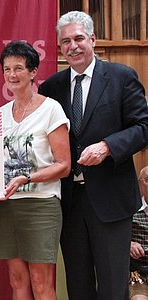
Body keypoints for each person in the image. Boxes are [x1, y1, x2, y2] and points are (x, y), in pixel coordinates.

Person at [38, 11, 148, 300]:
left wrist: (108, 147)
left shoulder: (121, 77)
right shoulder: (50, 88)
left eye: (78, 38)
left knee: (113, 287)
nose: (73, 46)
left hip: (112, 200)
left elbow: (144, 127)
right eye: (65, 41)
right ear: (59, 46)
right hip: (69, 202)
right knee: (78, 286)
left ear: (93, 40)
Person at [0, 41, 71, 300]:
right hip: (8, 206)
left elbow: (64, 165)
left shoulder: (51, 109)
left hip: (41, 205)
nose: (12, 75)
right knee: (17, 280)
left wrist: (27, 177)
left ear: (33, 72)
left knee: (41, 282)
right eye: (7, 69)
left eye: (18, 68)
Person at [129, 166, 148, 300]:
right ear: (140, 182)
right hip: (138, 272)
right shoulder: (130, 210)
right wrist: (128, 244)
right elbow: (114, 239)